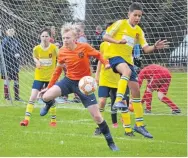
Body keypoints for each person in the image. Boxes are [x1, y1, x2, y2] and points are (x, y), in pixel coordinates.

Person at [38, 25, 119, 151]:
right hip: (68, 81)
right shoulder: (62, 51)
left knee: (97, 117)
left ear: (75, 38)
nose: (65, 40)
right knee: (46, 96)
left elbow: (98, 54)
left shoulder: (84, 47)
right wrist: (48, 87)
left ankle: (111, 142)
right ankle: (50, 104)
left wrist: (106, 63)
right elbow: (57, 71)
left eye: (68, 37)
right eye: (64, 38)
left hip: (84, 84)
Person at [103, 2, 169, 138]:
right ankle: (119, 100)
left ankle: (139, 125)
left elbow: (146, 49)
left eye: (140, 16)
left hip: (128, 61)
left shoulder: (138, 31)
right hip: (115, 57)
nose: (137, 18)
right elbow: (105, 36)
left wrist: (154, 47)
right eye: (135, 15)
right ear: (129, 14)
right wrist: (117, 42)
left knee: (136, 92)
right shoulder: (121, 23)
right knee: (126, 71)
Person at [20, 28, 58, 127]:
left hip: (50, 78)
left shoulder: (54, 48)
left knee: (50, 98)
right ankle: (26, 120)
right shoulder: (36, 48)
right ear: (40, 37)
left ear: (50, 38)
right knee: (32, 96)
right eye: (43, 36)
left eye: (46, 36)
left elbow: (60, 57)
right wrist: (36, 62)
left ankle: (53, 120)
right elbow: (35, 57)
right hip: (39, 77)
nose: (44, 38)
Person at [94, 41, 133, 136]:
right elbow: (100, 59)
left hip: (118, 78)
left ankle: (128, 130)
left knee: (123, 102)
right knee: (102, 101)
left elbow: (129, 61)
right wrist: (97, 75)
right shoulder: (103, 44)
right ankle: (100, 127)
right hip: (105, 77)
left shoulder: (123, 44)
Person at [1, 26, 22, 101]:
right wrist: (12, 55)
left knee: (16, 80)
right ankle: (7, 97)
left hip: (15, 63)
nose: (11, 32)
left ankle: (17, 97)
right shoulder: (5, 41)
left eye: (12, 30)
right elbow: (3, 53)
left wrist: (19, 54)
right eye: (9, 30)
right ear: (6, 32)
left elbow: (20, 50)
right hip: (8, 64)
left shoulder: (16, 40)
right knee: (7, 80)